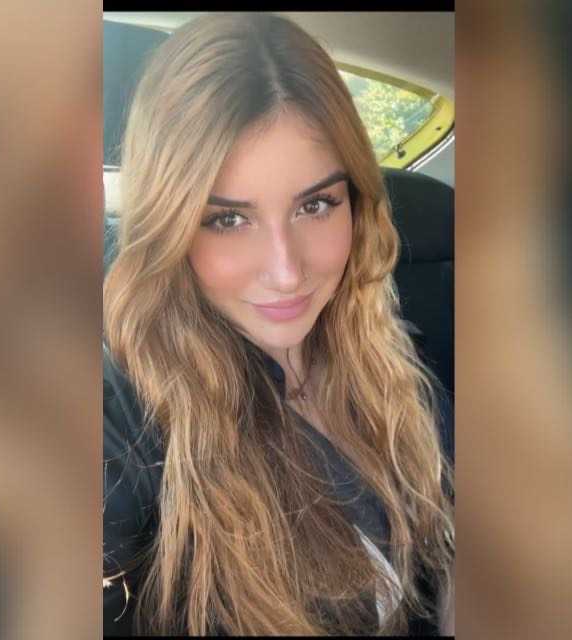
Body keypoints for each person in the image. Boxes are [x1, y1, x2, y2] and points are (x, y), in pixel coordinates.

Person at [103, 12, 454, 636]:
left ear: (357, 203)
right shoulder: (127, 417)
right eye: (227, 219)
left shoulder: (386, 351)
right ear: (170, 228)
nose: (287, 273)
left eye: (316, 205)